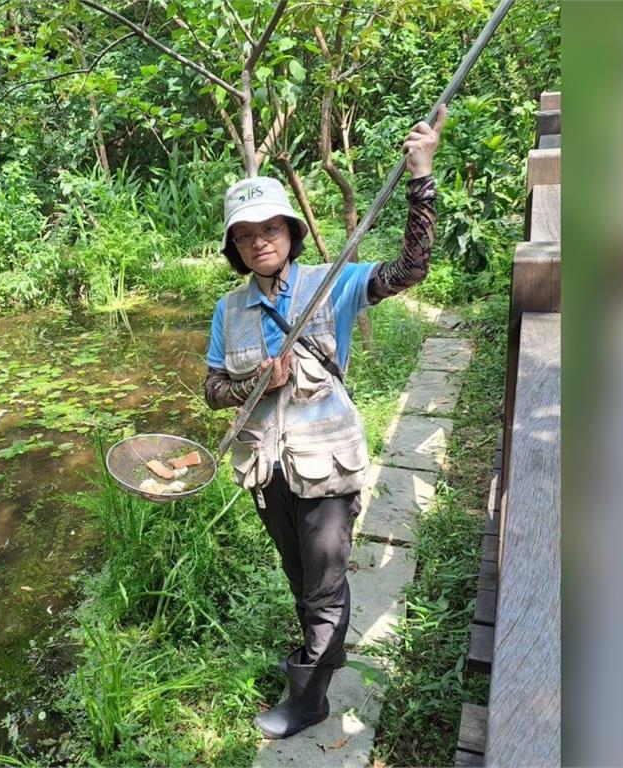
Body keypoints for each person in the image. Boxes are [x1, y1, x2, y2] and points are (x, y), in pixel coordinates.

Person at [203, 105, 446, 739]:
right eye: (246, 234)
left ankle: (309, 697)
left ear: (289, 230)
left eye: (271, 228)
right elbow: (211, 390)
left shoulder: (330, 283)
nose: (261, 240)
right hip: (266, 470)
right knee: (302, 578)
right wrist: (253, 382)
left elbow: (411, 269)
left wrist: (421, 178)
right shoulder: (228, 311)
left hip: (326, 462)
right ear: (234, 246)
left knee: (324, 581)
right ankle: (324, 651)